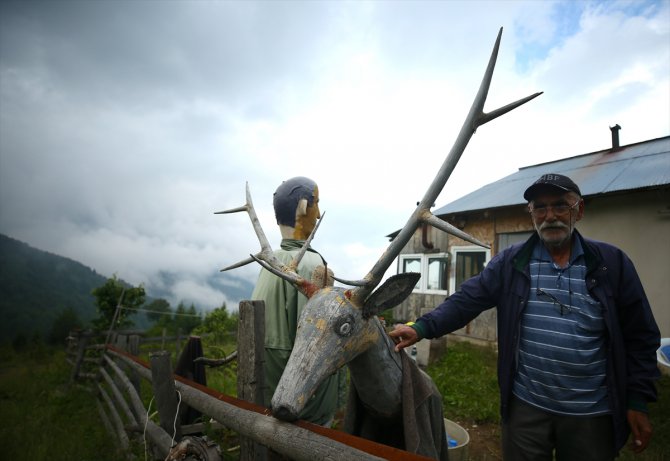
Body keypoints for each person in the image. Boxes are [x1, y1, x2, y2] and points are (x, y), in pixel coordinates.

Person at [390, 173, 660, 460]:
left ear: (578, 211)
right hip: (526, 409)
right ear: (530, 213)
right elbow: (468, 298)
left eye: (560, 206)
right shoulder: (512, 262)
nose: (550, 215)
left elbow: (640, 335)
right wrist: (421, 327)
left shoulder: (611, 264)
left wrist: (637, 399)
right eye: (540, 207)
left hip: (592, 413)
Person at [251, 176, 339, 426]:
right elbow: (317, 344)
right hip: (304, 409)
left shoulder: (270, 262)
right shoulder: (311, 264)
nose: (319, 213)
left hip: (267, 396)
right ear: (303, 207)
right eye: (316, 203)